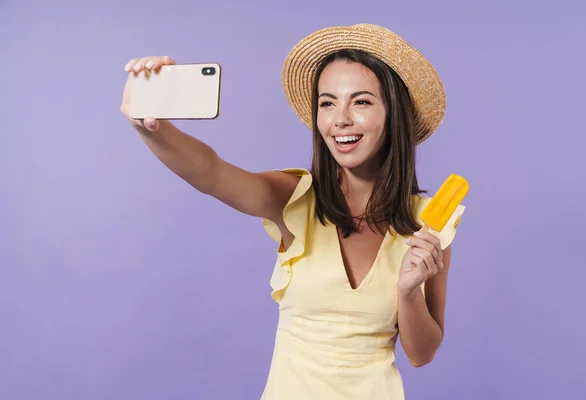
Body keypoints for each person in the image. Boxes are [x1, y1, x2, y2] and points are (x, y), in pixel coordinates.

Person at [121, 23, 465, 400]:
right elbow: (211, 173)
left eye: (361, 101)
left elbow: (421, 353)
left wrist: (409, 289)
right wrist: (153, 129)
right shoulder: (293, 198)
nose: (340, 119)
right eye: (327, 102)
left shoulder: (428, 223)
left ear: (392, 114)